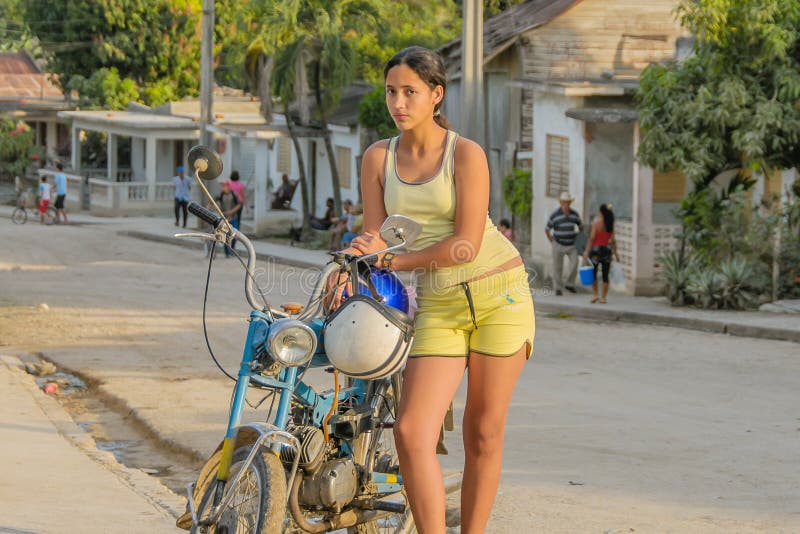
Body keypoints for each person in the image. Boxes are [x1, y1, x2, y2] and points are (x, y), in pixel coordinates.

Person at [342, 46, 535, 534]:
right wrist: (353, 259)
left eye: (410, 91)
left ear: (436, 95)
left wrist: (394, 259)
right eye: (391, 91)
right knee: (410, 433)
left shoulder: (465, 154)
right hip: (441, 306)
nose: (398, 102)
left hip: (499, 298)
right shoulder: (378, 158)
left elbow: (466, 246)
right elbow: (378, 233)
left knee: (482, 432)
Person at [545, 191, 582, 295]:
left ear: (570, 203)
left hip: (571, 244)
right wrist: (552, 241)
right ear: (560, 203)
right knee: (557, 267)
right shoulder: (555, 215)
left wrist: (580, 237)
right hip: (558, 243)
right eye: (564, 202)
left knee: (575, 263)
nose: (566, 204)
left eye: (567, 202)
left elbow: (580, 226)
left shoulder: (574, 215)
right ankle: (558, 288)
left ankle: (569, 284)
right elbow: (547, 229)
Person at [583, 203, 620, 304]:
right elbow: (613, 241)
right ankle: (603, 297)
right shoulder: (609, 225)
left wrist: (586, 251)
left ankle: (595, 294)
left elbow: (591, 238)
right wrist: (616, 254)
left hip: (596, 251)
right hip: (607, 251)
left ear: (601, 213)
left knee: (593, 273)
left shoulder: (596, 225)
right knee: (605, 274)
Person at [217, 181, 243, 257]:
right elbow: (214, 202)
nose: (223, 187)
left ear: (228, 186)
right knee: (226, 235)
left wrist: (232, 211)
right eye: (222, 186)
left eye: (224, 186)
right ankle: (227, 253)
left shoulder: (233, 194)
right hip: (225, 219)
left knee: (234, 234)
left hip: (233, 217)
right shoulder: (221, 194)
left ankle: (233, 248)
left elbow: (239, 205)